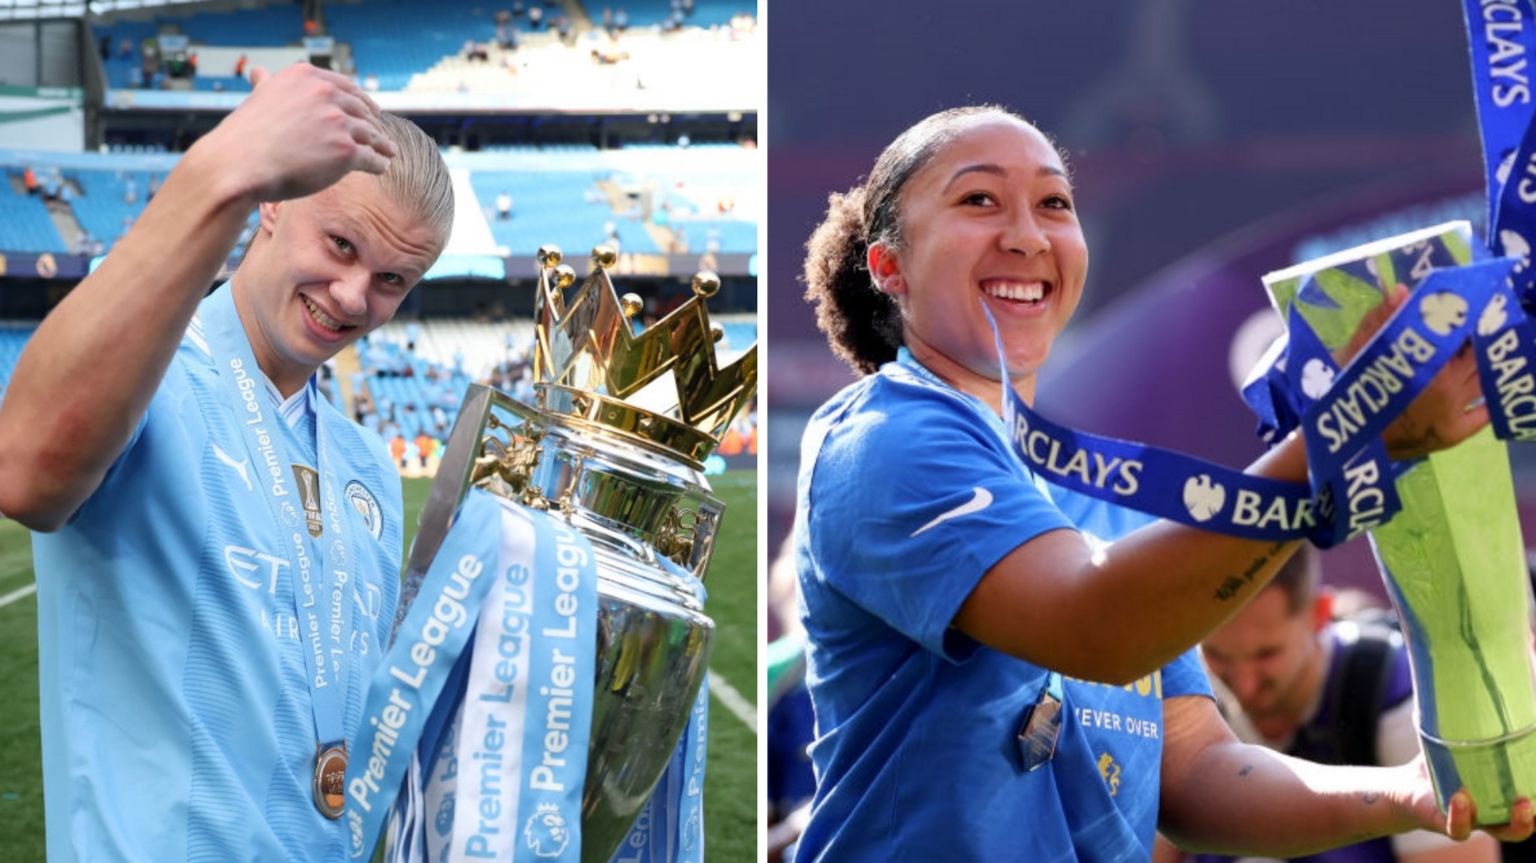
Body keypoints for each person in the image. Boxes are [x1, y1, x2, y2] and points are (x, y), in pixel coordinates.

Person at [792, 104, 1531, 861]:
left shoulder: (1098, 494)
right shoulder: (885, 438)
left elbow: (1200, 772)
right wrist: (1343, 433)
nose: (1027, 233)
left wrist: (1409, 793)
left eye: (1054, 203)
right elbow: (1097, 628)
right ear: (889, 267)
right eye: (979, 200)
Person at [0, 63, 451, 862]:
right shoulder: (146, 381)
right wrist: (227, 164)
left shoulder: (367, 467)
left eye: (391, 281)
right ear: (273, 201)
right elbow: (24, 471)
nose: (353, 297)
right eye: (340, 244)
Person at [1156, 548, 1497, 862]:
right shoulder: (1178, 699)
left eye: (1266, 654)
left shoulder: (1398, 695)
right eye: (1215, 654)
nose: (1244, 685)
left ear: (1318, 615)